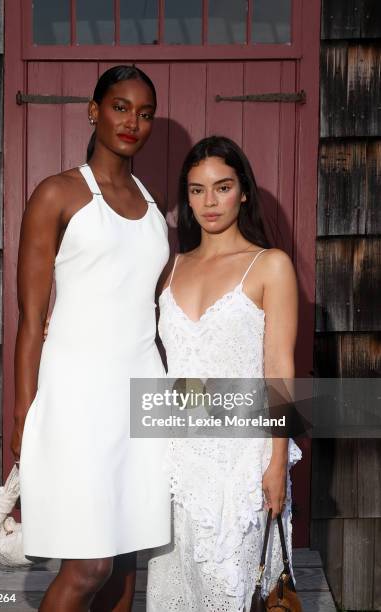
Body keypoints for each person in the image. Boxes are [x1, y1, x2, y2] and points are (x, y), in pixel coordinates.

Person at [10, 65, 171, 612]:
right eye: (121, 107)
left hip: (140, 392)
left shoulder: (153, 208)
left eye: (145, 113)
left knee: (125, 563)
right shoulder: (58, 193)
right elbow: (31, 319)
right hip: (77, 395)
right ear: (94, 109)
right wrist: (23, 415)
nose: (133, 122)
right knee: (89, 565)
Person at [146, 136, 302, 611]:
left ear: (244, 192)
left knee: (232, 588)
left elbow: (279, 368)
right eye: (196, 190)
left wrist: (276, 462)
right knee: (176, 589)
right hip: (176, 455)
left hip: (241, 458)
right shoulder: (170, 268)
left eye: (222, 187)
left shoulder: (270, 266)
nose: (209, 202)